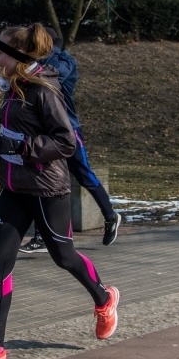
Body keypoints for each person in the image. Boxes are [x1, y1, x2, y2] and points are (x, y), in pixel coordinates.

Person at [0, 24, 119, 359]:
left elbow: (65, 142)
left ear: (20, 57)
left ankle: (104, 299)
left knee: (64, 256)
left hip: (46, 190)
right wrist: (0, 146)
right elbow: (17, 132)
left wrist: (21, 147)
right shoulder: (13, 88)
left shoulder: (44, 92)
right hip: (14, 189)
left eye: (1, 51)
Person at [20, 26, 121, 253]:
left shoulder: (62, 63)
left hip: (68, 131)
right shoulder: (37, 63)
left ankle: (110, 216)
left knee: (84, 175)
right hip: (44, 133)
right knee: (43, 179)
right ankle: (42, 235)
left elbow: (49, 76)